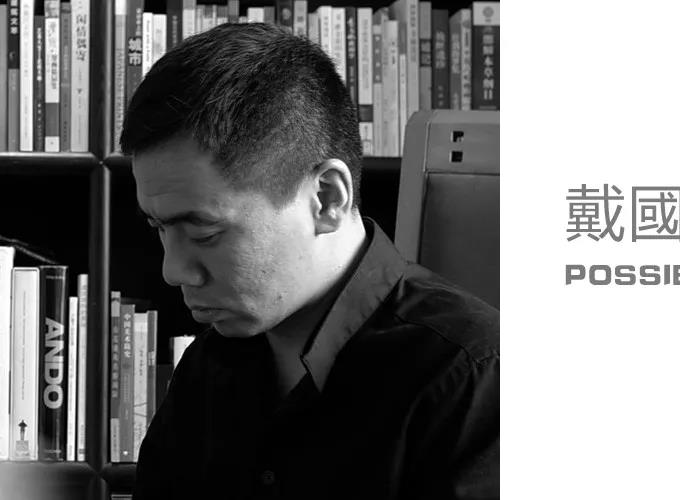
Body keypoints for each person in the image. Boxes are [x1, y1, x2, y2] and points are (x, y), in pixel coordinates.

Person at [122, 22, 499, 500]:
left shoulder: (474, 380)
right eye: (159, 228)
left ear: (326, 198)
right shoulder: (207, 369)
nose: (173, 271)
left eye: (205, 233)